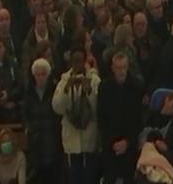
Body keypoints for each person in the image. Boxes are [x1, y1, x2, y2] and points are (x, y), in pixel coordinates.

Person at [51, 45, 101, 184]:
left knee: (89, 177)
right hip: (71, 139)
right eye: (75, 61)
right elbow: (57, 107)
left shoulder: (94, 79)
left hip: (89, 138)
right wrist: (67, 88)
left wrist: (89, 90)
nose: (77, 64)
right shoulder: (64, 80)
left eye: (80, 61)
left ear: (85, 61)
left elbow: (98, 108)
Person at [97, 51, 145, 183]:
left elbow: (139, 118)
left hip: (130, 144)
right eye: (118, 68)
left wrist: (127, 141)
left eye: (124, 67)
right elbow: (101, 118)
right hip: (110, 144)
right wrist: (112, 142)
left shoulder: (136, 87)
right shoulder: (105, 87)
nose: (122, 71)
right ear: (113, 68)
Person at [22, 59, 61, 184]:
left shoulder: (55, 90)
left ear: (48, 75)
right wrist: (27, 127)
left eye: (43, 74)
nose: (40, 77)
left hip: (51, 136)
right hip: (35, 137)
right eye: (38, 74)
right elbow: (24, 113)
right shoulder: (29, 92)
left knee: (52, 171)